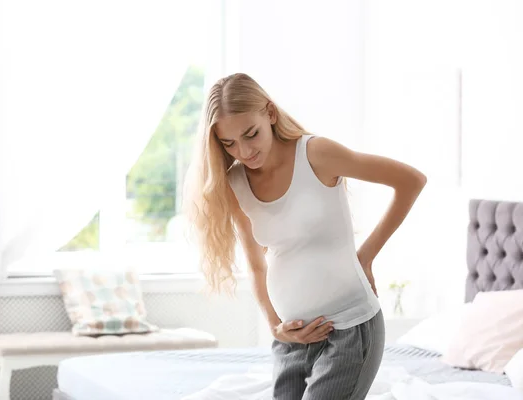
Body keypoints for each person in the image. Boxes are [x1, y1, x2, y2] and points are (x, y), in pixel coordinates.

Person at [183, 73, 427, 399]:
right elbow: (257, 265)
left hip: (349, 328)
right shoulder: (235, 182)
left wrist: (366, 255)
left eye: (250, 134)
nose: (243, 151)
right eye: (229, 143)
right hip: (293, 338)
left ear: (269, 113)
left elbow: (411, 180)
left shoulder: (316, 154)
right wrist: (276, 328)